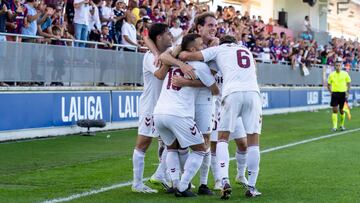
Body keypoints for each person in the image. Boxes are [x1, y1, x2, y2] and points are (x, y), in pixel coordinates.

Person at [178, 35, 262, 199]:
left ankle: (224, 180)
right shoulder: (246, 50)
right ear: (236, 43)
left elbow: (188, 56)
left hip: (231, 93)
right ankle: (251, 187)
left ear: (222, 43)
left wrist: (183, 57)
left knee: (223, 138)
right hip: (253, 92)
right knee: (253, 140)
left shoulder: (218, 50)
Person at [153, 33, 218, 197]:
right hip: (179, 114)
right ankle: (183, 187)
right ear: (193, 49)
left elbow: (162, 64)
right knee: (200, 149)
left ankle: (175, 183)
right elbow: (215, 90)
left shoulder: (171, 65)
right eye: (200, 44)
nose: (203, 46)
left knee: (172, 148)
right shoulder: (200, 66)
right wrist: (195, 82)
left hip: (159, 113)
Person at [131, 23, 173, 193]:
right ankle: (137, 184)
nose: (171, 36)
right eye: (168, 33)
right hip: (150, 106)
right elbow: (160, 74)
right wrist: (170, 59)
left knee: (172, 142)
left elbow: (146, 36)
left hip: (164, 106)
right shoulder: (150, 57)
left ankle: (162, 175)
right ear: (159, 38)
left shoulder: (164, 52)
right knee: (143, 142)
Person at [327, 58, 351, 131]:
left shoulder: (345, 74)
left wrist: (347, 92)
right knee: (335, 110)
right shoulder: (331, 74)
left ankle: (342, 125)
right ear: (335, 66)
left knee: (342, 110)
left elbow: (349, 83)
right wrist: (331, 92)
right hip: (335, 94)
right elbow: (328, 84)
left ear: (341, 66)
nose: (338, 67)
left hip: (343, 94)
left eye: (339, 65)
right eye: (336, 65)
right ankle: (334, 127)